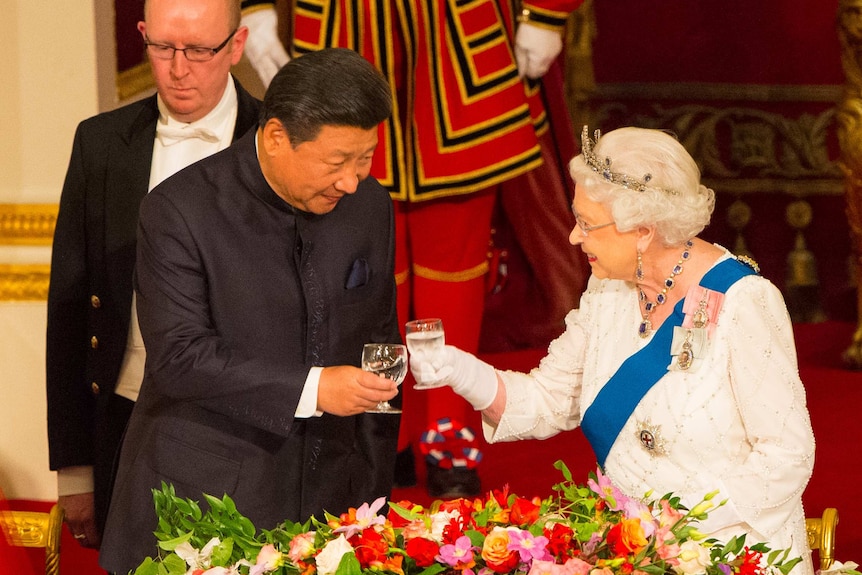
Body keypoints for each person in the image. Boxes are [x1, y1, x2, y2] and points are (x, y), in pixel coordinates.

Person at [409, 126, 817, 575]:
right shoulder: (607, 290)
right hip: (635, 553)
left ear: (642, 230)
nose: (572, 237)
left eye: (587, 224)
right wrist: (459, 368)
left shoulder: (744, 302)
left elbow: (787, 456)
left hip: (731, 552)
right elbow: (549, 398)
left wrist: (677, 528)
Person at [238, 0, 589, 498]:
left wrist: (545, 10)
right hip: (343, 25)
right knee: (362, 272)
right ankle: (383, 437)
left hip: (455, 36)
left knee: (457, 270)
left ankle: (449, 444)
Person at [98, 47, 401, 574]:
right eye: (336, 163)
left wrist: (374, 491)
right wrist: (313, 388)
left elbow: (379, 339)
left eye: (365, 158)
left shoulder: (369, 206)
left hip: (333, 505)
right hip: (207, 503)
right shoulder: (178, 212)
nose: (352, 181)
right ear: (277, 136)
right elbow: (180, 358)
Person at [45, 0, 259, 551]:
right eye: (162, 48)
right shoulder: (100, 143)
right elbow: (69, 308)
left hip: (249, 433)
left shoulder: (276, 143)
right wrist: (75, 469)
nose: (178, 69)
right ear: (142, 35)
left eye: (199, 51)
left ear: (237, 45)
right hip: (125, 421)